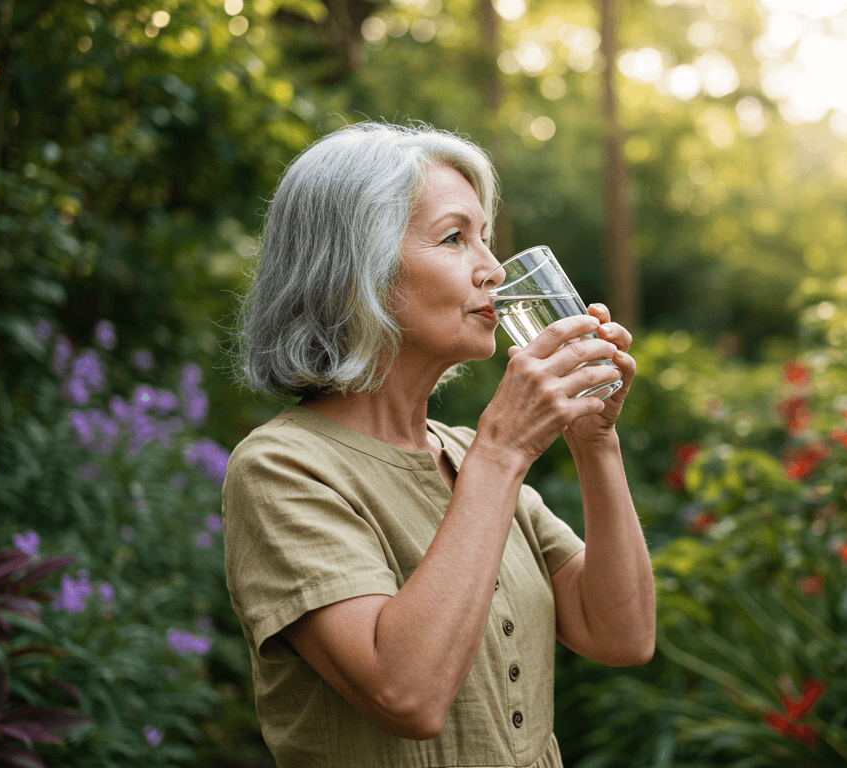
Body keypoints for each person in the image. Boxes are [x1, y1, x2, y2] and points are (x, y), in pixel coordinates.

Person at [221, 121, 655, 768]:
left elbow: (621, 635)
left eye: (485, 237)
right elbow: (407, 696)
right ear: (355, 270)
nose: (492, 270)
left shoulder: (465, 453)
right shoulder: (283, 469)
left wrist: (596, 443)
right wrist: (502, 454)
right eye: (455, 238)